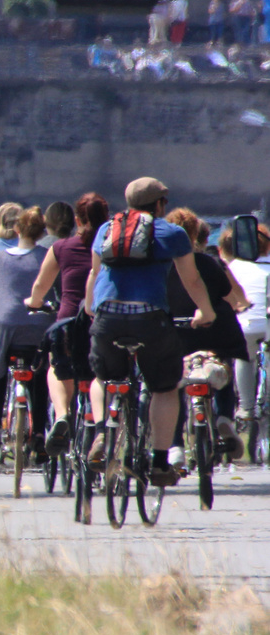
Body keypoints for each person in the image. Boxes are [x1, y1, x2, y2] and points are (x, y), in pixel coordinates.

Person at [83, 177, 215, 487]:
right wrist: (206, 312)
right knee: (164, 387)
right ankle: (158, 462)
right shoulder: (172, 233)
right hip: (150, 319)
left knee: (105, 378)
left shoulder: (106, 230)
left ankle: (104, 432)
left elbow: (94, 273)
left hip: (108, 316)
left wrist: (91, 306)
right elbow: (192, 280)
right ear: (159, 205)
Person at [26, 192, 110, 453]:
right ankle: (101, 429)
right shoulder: (112, 246)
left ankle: (62, 415)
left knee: (57, 367)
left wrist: (34, 302)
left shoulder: (61, 247)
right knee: (101, 373)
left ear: (77, 220)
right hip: (101, 320)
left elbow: (41, 285)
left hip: (69, 322)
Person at [166, 208, 249, 456]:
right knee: (223, 363)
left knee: (174, 384)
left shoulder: (162, 267)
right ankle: (224, 417)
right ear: (195, 235)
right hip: (215, 330)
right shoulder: (207, 261)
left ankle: (176, 445)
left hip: (178, 333)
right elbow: (226, 290)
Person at [0, 207, 54, 455]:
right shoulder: (47, 256)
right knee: (40, 375)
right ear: (43, 232)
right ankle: (40, 431)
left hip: (5, 326)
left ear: (17, 229)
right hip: (37, 325)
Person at [221, 220, 270, 429]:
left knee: (244, 358)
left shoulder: (234, 267)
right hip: (267, 325)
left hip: (245, 325)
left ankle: (246, 407)